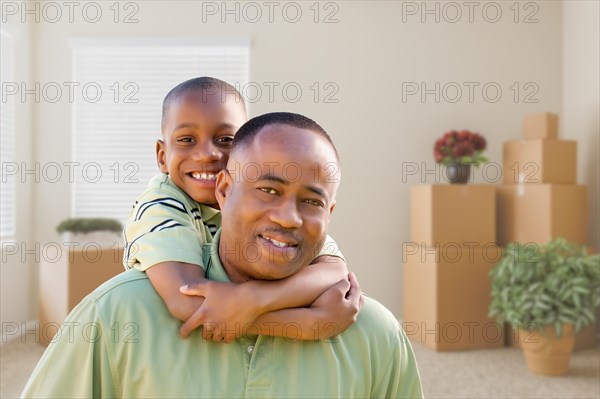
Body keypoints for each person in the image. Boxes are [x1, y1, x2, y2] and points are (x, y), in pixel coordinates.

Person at [21, 112, 423, 398]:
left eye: (311, 201)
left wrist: (252, 307)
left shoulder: (374, 333)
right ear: (224, 190)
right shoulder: (116, 314)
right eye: (268, 190)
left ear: (329, 213)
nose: (288, 218)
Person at [124, 77, 353, 341]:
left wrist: (254, 298)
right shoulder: (160, 206)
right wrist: (308, 323)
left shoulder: (259, 202)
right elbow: (187, 301)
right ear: (162, 156)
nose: (207, 154)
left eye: (225, 139)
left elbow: (334, 270)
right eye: (187, 139)